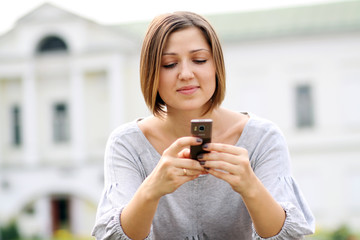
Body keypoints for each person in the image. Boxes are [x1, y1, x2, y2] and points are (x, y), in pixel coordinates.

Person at [92, 11, 315, 240]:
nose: (186, 74)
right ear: (151, 73)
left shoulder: (263, 138)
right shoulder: (127, 144)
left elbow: (287, 236)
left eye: (199, 60)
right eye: (169, 64)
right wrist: (152, 190)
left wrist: (250, 186)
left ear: (216, 66)